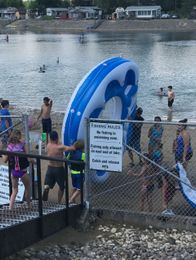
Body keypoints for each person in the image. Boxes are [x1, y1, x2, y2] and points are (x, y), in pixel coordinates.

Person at [3, 130, 33, 210]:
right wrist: (34, 161)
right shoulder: (23, 145)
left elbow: (5, 160)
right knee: (27, 187)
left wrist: (2, 154)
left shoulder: (9, 147)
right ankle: (28, 204)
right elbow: (29, 158)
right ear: (19, 136)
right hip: (22, 171)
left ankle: (10, 207)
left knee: (14, 190)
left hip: (13, 172)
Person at [42, 131, 75, 203]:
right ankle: (59, 202)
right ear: (57, 138)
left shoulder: (48, 145)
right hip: (59, 169)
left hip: (50, 168)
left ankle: (44, 197)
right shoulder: (60, 147)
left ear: (50, 139)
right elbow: (71, 148)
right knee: (62, 187)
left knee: (47, 185)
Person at [67, 140, 85, 204]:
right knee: (79, 189)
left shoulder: (71, 152)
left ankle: (70, 200)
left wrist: (70, 166)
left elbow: (67, 159)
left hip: (72, 173)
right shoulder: (83, 154)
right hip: (79, 174)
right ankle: (71, 200)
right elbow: (86, 162)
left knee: (74, 187)